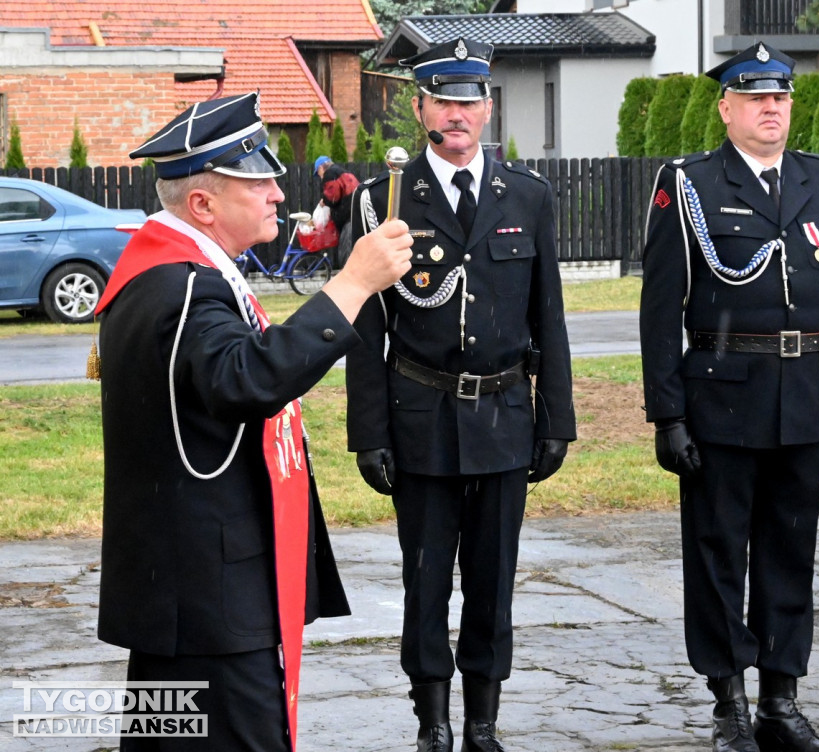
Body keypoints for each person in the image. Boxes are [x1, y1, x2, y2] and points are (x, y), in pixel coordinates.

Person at [95, 92, 412, 751]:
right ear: (203, 204)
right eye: (257, 179)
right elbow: (248, 380)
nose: (276, 191)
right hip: (209, 601)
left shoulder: (172, 274)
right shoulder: (184, 285)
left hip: (182, 591)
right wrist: (352, 285)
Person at [344, 37, 576, 752]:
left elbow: (550, 316)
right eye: (442, 100)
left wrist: (556, 419)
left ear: (487, 106)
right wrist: (369, 433)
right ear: (420, 109)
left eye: (468, 100)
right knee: (426, 584)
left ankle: (482, 723)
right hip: (421, 418)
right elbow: (364, 331)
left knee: (492, 580)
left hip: (504, 415)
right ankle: (433, 724)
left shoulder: (527, 196)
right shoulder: (383, 201)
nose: (456, 114)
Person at [638, 41, 819, 752]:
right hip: (722, 400)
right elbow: (659, 311)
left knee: (789, 554)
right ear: (727, 107)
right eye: (757, 98)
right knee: (718, 555)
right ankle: (729, 701)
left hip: (806, 395)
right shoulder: (692, 185)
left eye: (782, 98)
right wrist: (668, 414)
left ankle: (780, 699)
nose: (772, 110)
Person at [319, 162, 360, 268]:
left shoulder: (330, 174)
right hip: (355, 213)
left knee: (346, 250)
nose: (319, 177)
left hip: (346, 215)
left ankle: (348, 276)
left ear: (321, 168)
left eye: (318, 173)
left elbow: (333, 197)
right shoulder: (343, 172)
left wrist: (325, 201)